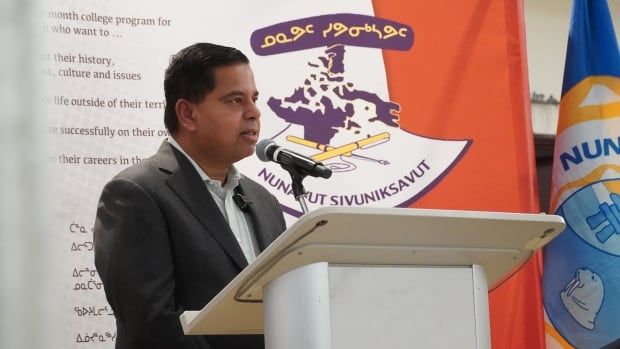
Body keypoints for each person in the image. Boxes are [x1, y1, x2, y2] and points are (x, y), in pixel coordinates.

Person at [94, 43, 287, 349]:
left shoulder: (264, 201)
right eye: (236, 100)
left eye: (254, 99)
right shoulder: (136, 194)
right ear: (187, 113)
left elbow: (283, 308)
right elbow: (153, 326)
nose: (254, 112)